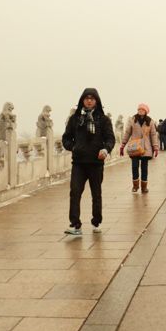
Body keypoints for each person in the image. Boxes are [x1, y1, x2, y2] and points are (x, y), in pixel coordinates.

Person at [62, 88, 115, 236]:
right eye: (86, 98)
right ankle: (75, 224)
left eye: (92, 98)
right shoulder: (75, 119)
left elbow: (110, 139)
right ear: (82, 101)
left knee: (96, 194)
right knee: (75, 192)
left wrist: (106, 149)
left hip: (96, 163)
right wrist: (73, 147)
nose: (89, 100)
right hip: (79, 163)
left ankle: (96, 220)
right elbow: (66, 138)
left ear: (96, 101)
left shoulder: (103, 120)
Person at [120, 103, 160, 193]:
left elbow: (153, 135)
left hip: (146, 148)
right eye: (139, 109)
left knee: (144, 168)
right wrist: (123, 144)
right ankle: (135, 186)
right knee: (134, 166)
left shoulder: (150, 121)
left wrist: (155, 147)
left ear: (146, 111)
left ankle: (144, 187)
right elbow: (127, 132)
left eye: (142, 110)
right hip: (135, 147)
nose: (140, 111)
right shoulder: (133, 120)